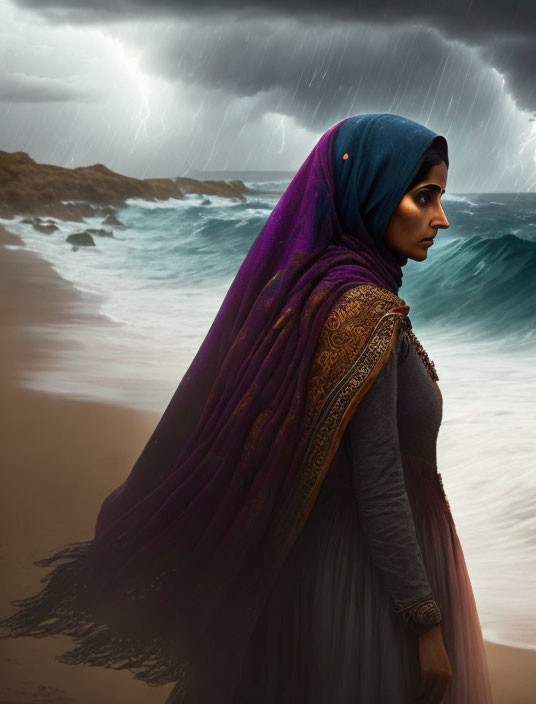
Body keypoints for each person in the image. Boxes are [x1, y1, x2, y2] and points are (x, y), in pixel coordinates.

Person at [0, 113, 494, 704]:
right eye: (424, 196)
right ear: (374, 191)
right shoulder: (364, 311)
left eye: (441, 196)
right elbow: (380, 483)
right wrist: (424, 621)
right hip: (366, 587)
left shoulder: (317, 293)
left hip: (313, 571)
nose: (441, 218)